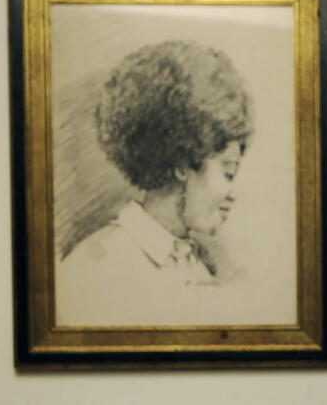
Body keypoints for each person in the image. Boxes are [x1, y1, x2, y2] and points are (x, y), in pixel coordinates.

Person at [57, 40, 253, 324]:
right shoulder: (94, 268)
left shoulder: (196, 266)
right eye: (228, 172)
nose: (232, 193)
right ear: (184, 164)